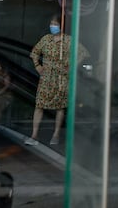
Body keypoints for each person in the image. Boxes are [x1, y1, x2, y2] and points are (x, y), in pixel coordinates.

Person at [26, 14, 90, 146]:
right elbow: (34, 52)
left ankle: (56, 134)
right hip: (46, 78)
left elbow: (83, 53)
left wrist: (72, 66)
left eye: (55, 24)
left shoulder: (68, 40)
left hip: (61, 79)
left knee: (60, 107)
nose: (53, 26)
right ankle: (34, 134)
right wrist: (38, 66)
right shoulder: (46, 39)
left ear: (62, 25)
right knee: (39, 105)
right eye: (51, 24)